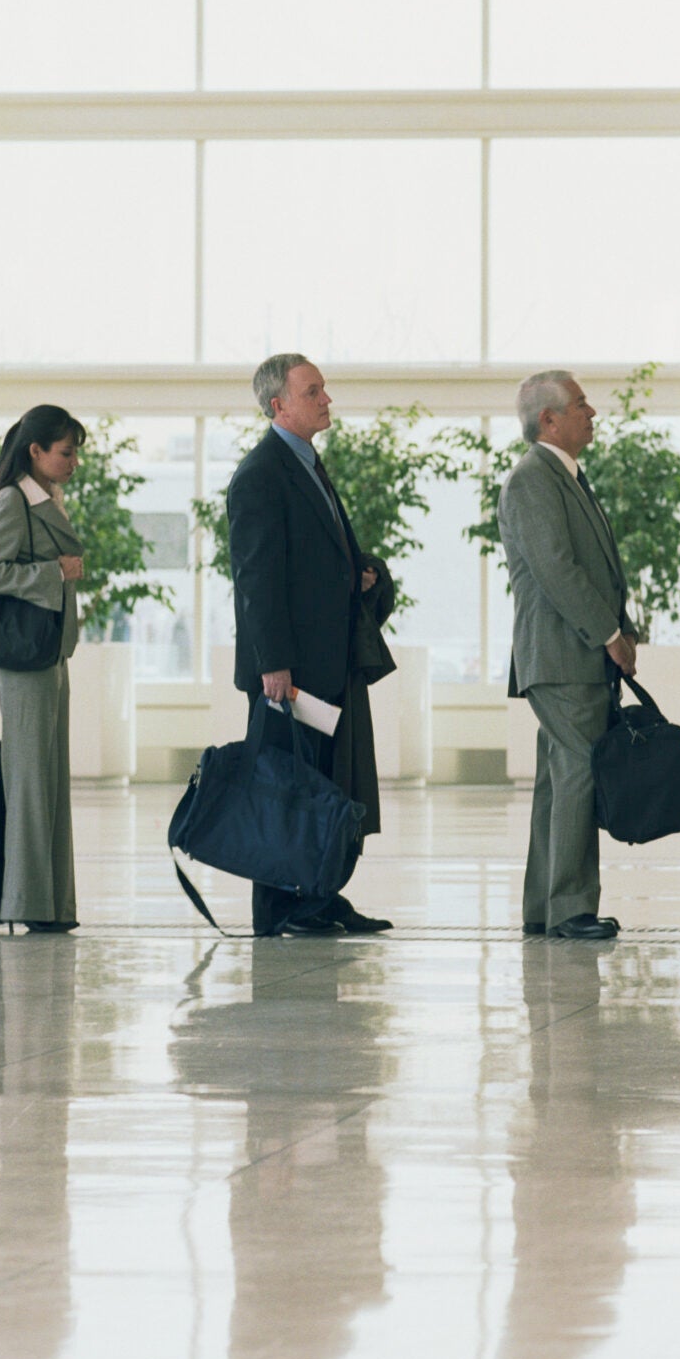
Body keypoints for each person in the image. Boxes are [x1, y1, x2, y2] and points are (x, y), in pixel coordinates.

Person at [226, 353, 397, 938]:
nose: (327, 399)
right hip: (290, 671)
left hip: (328, 663)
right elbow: (256, 578)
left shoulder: (307, 465)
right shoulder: (261, 473)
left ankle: (320, 896)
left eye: (323, 389)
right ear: (280, 405)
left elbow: (313, 558)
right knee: (286, 789)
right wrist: (272, 662)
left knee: (323, 786)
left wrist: (359, 571)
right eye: (313, 391)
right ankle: (279, 908)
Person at [499, 369, 637, 942]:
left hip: (571, 656)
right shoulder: (534, 479)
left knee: (559, 780)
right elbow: (558, 570)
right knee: (578, 772)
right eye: (581, 404)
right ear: (549, 419)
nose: (593, 412)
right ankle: (572, 908)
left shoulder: (567, 478)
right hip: (561, 656)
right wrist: (608, 633)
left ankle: (545, 905)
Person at [0, 404, 89, 934]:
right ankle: (27, 902)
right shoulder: (11, 500)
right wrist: (54, 572)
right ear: (35, 451)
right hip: (23, 659)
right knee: (29, 780)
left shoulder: (46, 499)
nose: (72, 462)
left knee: (49, 777)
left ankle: (50, 905)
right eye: (65, 453)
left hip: (49, 653)